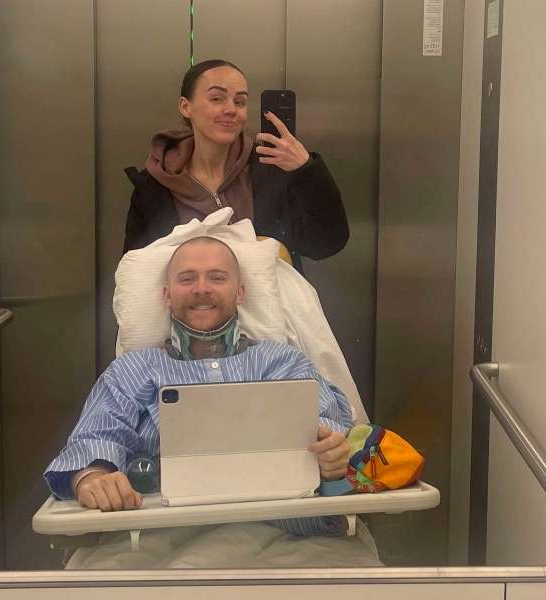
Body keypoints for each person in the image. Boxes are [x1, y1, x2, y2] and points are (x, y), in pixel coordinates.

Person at [44, 236, 353, 536]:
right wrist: (92, 478)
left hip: (281, 530)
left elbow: (329, 429)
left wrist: (332, 457)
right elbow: (94, 439)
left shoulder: (283, 362)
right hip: (158, 537)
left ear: (240, 293)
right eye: (187, 278)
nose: (202, 289)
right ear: (167, 295)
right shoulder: (131, 371)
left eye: (217, 278)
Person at [122, 59, 349, 272]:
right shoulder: (155, 186)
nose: (231, 109)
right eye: (217, 99)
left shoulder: (271, 170)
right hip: (185, 303)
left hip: (269, 302)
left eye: (239, 101)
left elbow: (325, 244)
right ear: (185, 106)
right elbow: (136, 272)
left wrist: (306, 171)